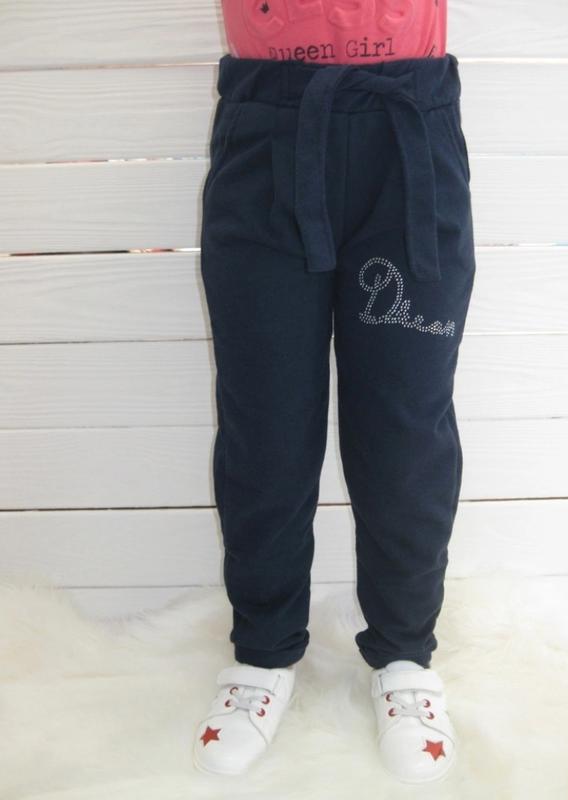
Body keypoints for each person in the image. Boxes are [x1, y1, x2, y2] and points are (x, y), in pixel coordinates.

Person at [193, 0, 475, 784]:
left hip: (408, 142)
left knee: (405, 427)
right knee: (265, 422)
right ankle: (262, 652)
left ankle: (405, 656)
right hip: (266, 138)